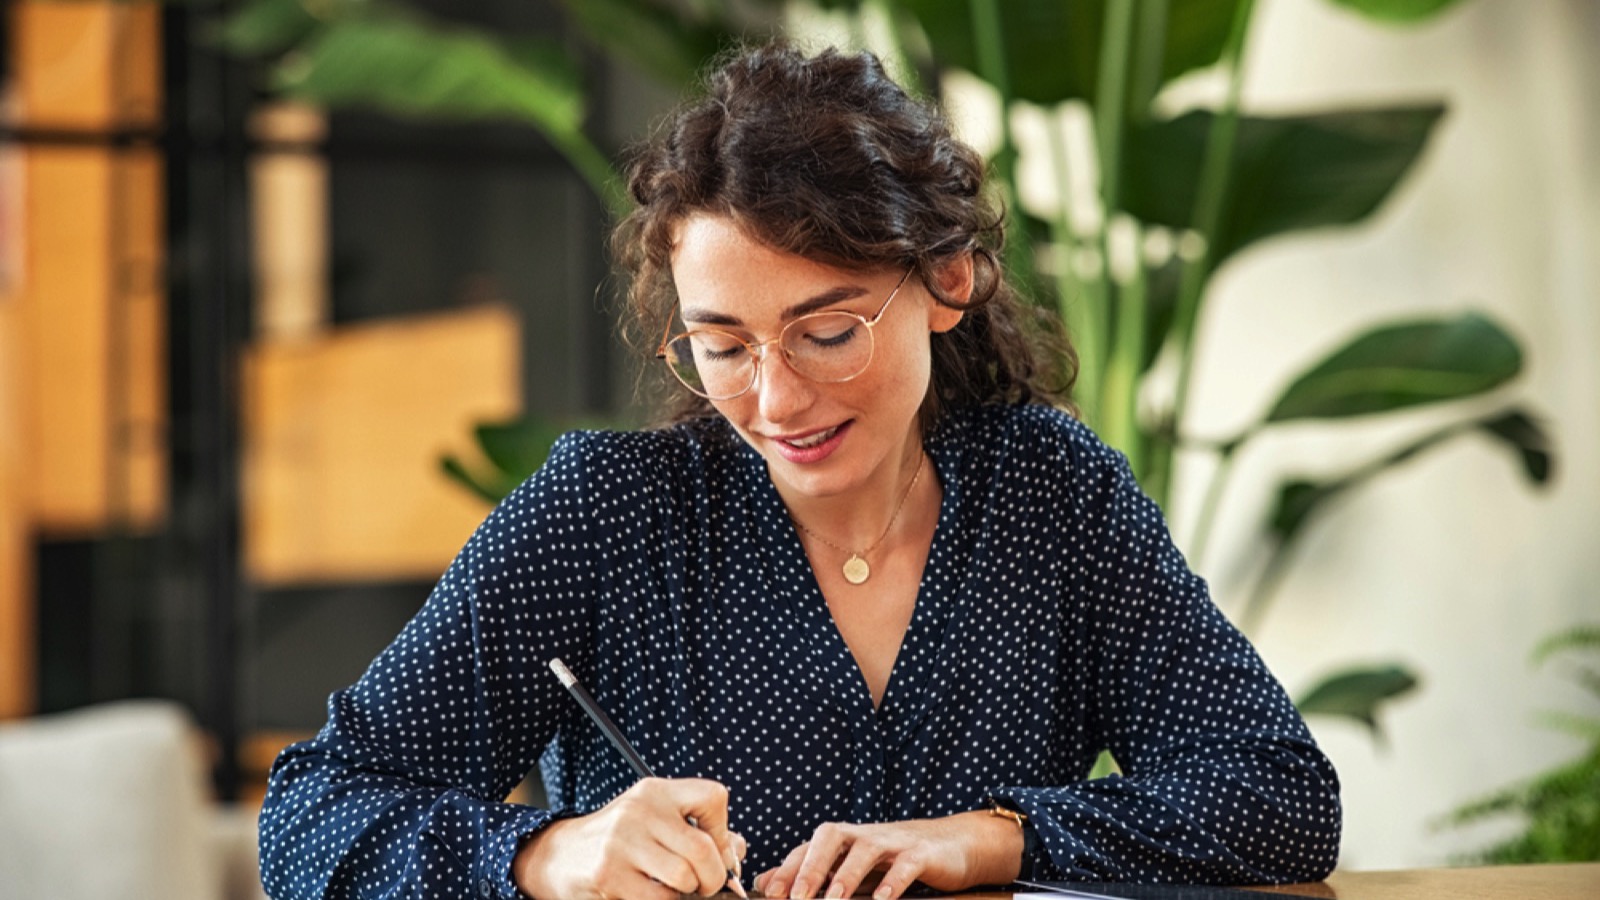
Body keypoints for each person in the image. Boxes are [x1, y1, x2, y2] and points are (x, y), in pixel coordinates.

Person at [258, 42, 1341, 900]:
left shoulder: (1047, 494)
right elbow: (311, 818)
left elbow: (1277, 794)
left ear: (947, 280)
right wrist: (554, 855)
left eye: (826, 333)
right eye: (724, 345)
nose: (775, 402)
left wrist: (994, 838)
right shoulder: (602, 515)